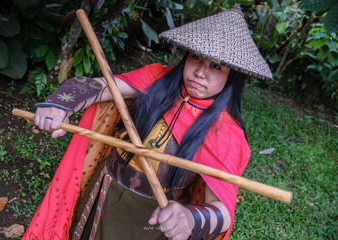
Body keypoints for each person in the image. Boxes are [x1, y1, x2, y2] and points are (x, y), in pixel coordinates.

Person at [23, 5, 272, 240]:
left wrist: (190, 217)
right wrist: (60, 104)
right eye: (196, 57)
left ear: (232, 78)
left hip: (151, 219)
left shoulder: (225, 132)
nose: (200, 72)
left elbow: (223, 211)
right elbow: (102, 86)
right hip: (104, 190)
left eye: (216, 66)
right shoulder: (158, 78)